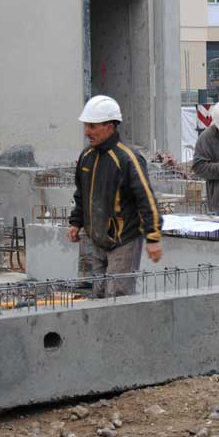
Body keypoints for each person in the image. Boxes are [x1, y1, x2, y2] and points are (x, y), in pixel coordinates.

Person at [68, 95, 163, 297]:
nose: (87, 132)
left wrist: (153, 237)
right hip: (97, 240)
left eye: (92, 127)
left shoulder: (128, 159)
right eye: (86, 126)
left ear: (109, 127)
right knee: (99, 296)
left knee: (118, 301)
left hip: (123, 242)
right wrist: (76, 222)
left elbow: (146, 199)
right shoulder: (87, 157)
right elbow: (81, 194)